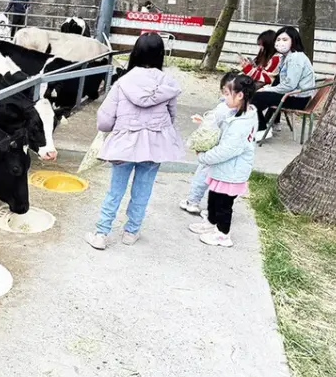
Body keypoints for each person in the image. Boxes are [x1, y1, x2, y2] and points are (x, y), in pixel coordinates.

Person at [85, 33, 184, 250]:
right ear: (160, 55)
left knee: (115, 190)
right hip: (154, 146)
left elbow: (104, 119)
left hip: (124, 144)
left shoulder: (123, 82)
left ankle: (101, 233)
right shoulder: (167, 83)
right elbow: (172, 115)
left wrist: (110, 129)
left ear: (135, 53)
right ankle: (131, 231)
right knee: (143, 189)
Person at [189, 75, 258, 247]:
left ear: (240, 95)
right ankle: (211, 223)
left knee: (224, 204)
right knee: (213, 197)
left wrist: (204, 157)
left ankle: (223, 234)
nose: (224, 98)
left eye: (227, 94)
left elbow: (227, 150)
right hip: (223, 169)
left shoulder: (241, 124)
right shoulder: (237, 114)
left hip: (232, 171)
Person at [179, 71, 238, 214]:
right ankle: (215, 207)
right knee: (220, 179)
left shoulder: (223, 107)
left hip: (213, 147)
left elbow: (209, 127)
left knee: (203, 173)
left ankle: (193, 201)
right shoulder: (243, 109)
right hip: (227, 150)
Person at [251, 26, 316, 138]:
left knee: (256, 99)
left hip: (298, 98)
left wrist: (267, 89)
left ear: (294, 41)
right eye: (278, 39)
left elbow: (289, 85)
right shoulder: (286, 57)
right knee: (255, 97)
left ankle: (262, 129)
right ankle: (261, 125)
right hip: (292, 94)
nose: (281, 43)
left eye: (285, 40)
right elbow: (282, 79)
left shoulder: (295, 58)